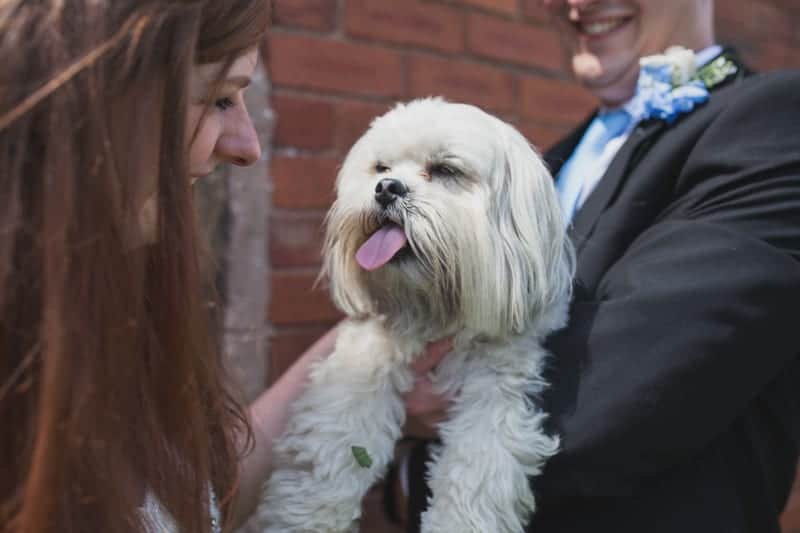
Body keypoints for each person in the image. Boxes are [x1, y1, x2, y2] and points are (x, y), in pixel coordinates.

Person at [388, 0, 800, 532]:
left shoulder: (774, 123)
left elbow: (615, 398)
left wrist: (407, 464)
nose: (577, 4)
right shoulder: (544, 160)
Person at [0, 1, 333, 531]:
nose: (248, 146)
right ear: (90, 94)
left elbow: (187, 503)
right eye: (220, 98)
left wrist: (355, 358)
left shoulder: (101, 308)